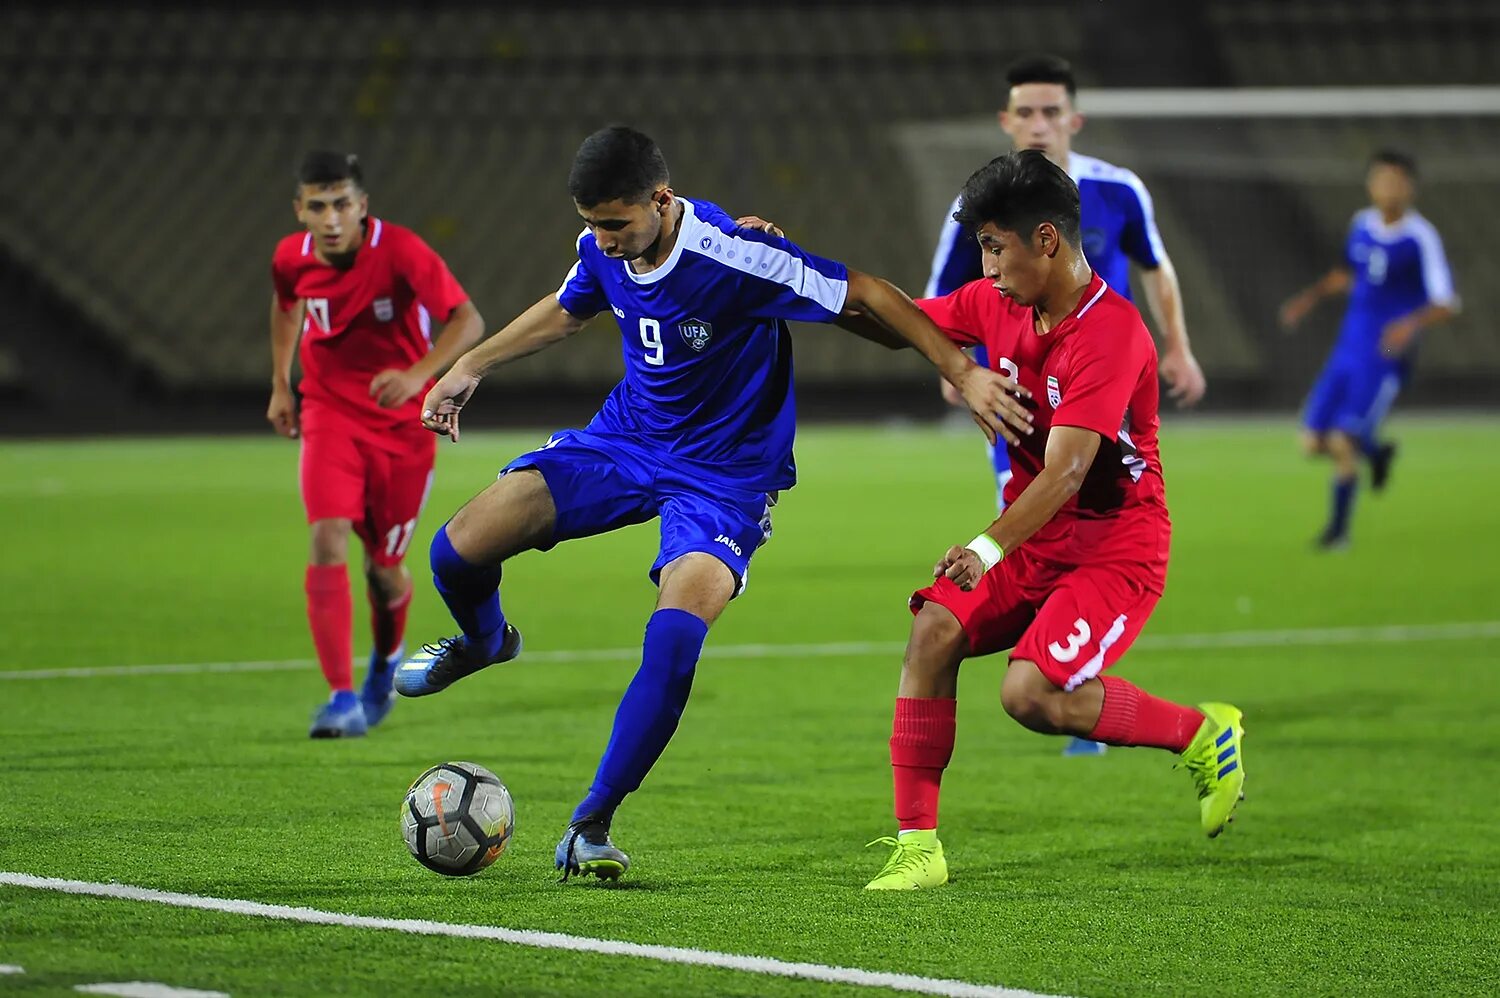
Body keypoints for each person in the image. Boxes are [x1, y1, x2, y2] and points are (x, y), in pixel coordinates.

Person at [393, 126, 1033, 882]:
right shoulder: (605, 248)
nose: (600, 238)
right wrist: (471, 364)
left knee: (673, 640)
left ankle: (591, 823)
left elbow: (863, 293)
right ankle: (483, 642)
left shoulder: (735, 255)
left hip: (723, 480)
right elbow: (570, 309)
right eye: (591, 223)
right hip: (626, 441)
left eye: (614, 224)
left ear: (661, 201)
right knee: (455, 549)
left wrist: (962, 371)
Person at [844, 151, 1244, 891]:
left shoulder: (1112, 334)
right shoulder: (998, 304)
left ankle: (1200, 733)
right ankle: (918, 849)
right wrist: (784, 275)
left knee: (1028, 696)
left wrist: (988, 548)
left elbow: (1065, 473)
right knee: (931, 630)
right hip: (1037, 535)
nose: (986, 266)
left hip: (1115, 549)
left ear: (1047, 241)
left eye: (995, 247)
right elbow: (896, 323)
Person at [929, 53, 1208, 756]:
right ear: (1005, 120)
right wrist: (962, 371)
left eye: (1051, 111)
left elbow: (1157, 267)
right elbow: (930, 305)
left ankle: (1064, 679)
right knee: (1029, 540)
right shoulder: (989, 212)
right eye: (1025, 111)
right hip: (1022, 409)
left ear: (1073, 120)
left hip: (1096, 398)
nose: (1038, 123)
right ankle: (1061, 681)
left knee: (1069, 516)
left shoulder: (1118, 192)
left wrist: (1177, 345)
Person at [268, 151, 484, 738]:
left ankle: (387, 658)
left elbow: (467, 321)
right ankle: (340, 698)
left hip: (398, 431)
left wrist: (419, 376)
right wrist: (280, 383)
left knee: (384, 571)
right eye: (318, 206)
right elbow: (286, 307)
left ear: (362, 207)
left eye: (342, 204)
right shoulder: (291, 257)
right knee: (327, 536)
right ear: (301, 211)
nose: (331, 217)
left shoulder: (402, 251)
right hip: (329, 414)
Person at [1279, 149, 1458, 549]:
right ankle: (1376, 452)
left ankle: (1338, 532)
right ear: (1370, 184)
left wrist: (1408, 325)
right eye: (1381, 179)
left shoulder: (1420, 237)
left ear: (1410, 188)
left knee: (1343, 440)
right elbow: (1347, 273)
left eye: (1396, 180)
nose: (1387, 188)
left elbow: (1446, 302)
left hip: (1383, 358)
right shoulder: (1361, 224)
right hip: (1348, 348)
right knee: (1310, 442)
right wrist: (1307, 300)